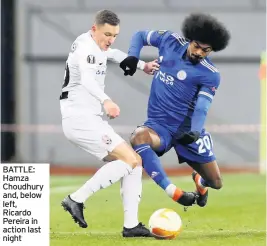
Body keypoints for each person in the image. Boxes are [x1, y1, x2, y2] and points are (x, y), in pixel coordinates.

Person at [59, 9, 159, 237]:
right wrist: (107, 101)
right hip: (80, 118)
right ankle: (76, 199)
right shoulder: (86, 49)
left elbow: (111, 53)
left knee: (135, 163)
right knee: (131, 160)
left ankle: (131, 225)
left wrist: (143, 66)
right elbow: (86, 79)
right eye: (107, 34)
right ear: (94, 29)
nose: (111, 40)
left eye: (115, 35)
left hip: (88, 118)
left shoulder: (93, 44)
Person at [119, 13, 231, 208]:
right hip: (159, 127)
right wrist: (133, 57)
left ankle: (200, 181)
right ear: (190, 39)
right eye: (196, 46)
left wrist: (195, 131)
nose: (199, 52)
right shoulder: (169, 40)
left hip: (187, 131)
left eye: (206, 50)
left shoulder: (210, 74)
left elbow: (202, 107)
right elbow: (139, 35)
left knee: (216, 183)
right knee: (138, 137)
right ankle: (173, 191)